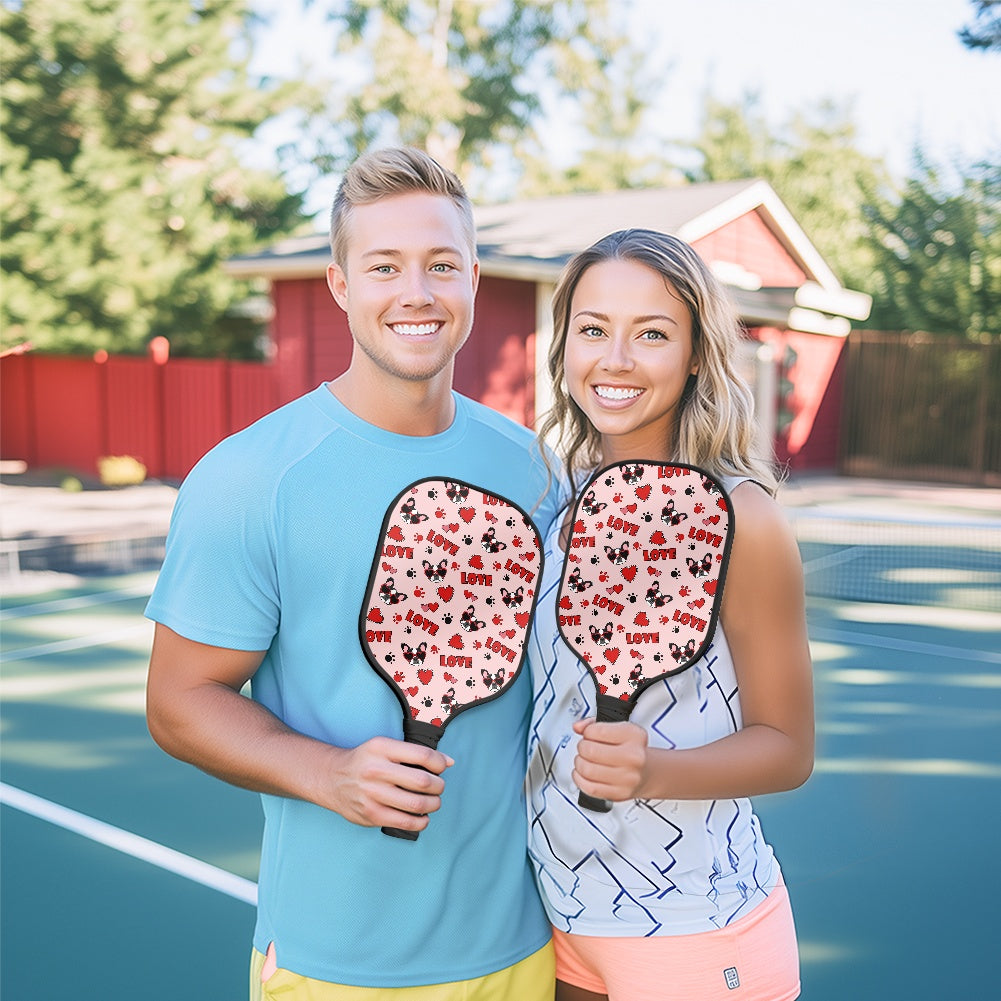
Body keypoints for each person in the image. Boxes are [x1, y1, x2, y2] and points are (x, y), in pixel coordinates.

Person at [145, 146, 558, 999]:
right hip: (334, 964)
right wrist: (328, 774)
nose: (417, 292)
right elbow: (178, 701)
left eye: (441, 265)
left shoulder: (534, 470)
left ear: (473, 279)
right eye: (384, 266)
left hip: (525, 948)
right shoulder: (249, 477)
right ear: (340, 284)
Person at [526, 229, 814, 1001]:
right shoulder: (558, 504)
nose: (614, 358)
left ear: (694, 354)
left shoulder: (741, 517)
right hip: (556, 925)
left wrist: (654, 770)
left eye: (650, 333)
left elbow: (787, 748)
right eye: (592, 329)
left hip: (695, 930)